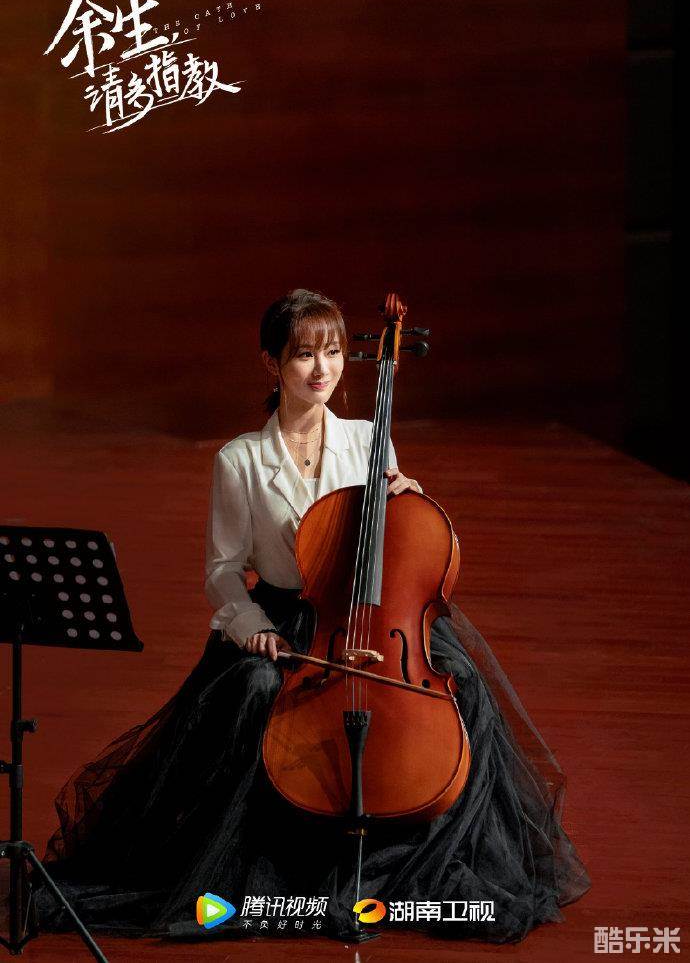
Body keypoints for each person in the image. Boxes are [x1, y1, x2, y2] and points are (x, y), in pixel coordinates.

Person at [31, 288, 591, 944]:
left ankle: (406, 849)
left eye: (332, 352)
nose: (322, 369)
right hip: (282, 623)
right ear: (272, 363)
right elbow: (221, 570)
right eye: (303, 354)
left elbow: (397, 551)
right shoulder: (239, 459)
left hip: (372, 619)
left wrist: (407, 495)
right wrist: (253, 628)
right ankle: (274, 866)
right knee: (255, 690)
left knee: (459, 684)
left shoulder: (367, 439)